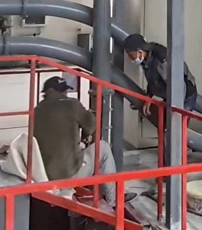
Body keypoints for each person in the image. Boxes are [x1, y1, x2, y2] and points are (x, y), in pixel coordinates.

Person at [32, 77, 135, 207]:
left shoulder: (37, 109)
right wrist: (85, 134)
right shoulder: (72, 104)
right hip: (67, 174)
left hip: (43, 174)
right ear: (62, 92)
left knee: (75, 150)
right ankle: (114, 199)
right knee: (103, 148)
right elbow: (91, 125)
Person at [123, 33, 198, 116]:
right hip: (169, 94)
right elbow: (153, 78)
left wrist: (176, 111)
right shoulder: (146, 58)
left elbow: (178, 87)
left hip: (184, 95)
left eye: (130, 55)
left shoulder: (162, 62)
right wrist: (149, 95)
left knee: (176, 121)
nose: (129, 59)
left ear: (139, 52)